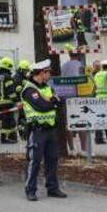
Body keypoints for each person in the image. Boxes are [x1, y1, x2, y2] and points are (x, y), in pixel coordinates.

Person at [21, 60, 66, 201]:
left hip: (50, 129)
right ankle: (30, 189)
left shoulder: (47, 87)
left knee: (52, 160)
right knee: (34, 161)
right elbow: (41, 106)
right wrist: (52, 102)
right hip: (37, 130)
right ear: (41, 72)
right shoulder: (29, 89)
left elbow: (58, 102)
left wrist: (52, 102)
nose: (50, 75)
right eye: (48, 72)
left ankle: (52, 188)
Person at [61, 52, 89, 155]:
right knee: (82, 122)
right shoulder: (82, 66)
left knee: (67, 124)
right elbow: (87, 83)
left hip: (66, 98)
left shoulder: (63, 66)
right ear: (79, 56)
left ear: (69, 55)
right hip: (79, 97)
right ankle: (83, 149)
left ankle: (71, 149)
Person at [0, 57, 18, 143]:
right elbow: (11, 91)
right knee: (8, 121)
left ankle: (8, 137)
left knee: (3, 120)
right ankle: (5, 139)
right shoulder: (8, 77)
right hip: (7, 102)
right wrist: (17, 100)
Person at [13, 59, 31, 140]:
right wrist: (18, 101)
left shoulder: (23, 77)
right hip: (20, 102)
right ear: (21, 69)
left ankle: (24, 134)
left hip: (24, 101)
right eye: (25, 70)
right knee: (22, 118)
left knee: (23, 118)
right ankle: (23, 135)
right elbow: (16, 90)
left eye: (27, 70)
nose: (26, 71)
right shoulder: (17, 78)